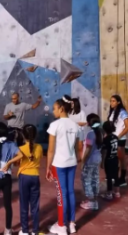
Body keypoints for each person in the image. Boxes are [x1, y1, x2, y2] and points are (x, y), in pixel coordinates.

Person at [46, 96, 81, 235]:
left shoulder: (55, 125)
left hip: (59, 164)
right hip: (72, 162)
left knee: (62, 194)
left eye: (54, 108)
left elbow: (50, 150)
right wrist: (76, 159)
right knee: (70, 192)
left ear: (61, 109)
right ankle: (71, 223)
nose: (53, 111)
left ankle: (61, 226)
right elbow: (77, 146)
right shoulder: (76, 125)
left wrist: (48, 167)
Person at [17, 124, 43, 235]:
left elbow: (17, 163)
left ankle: (25, 230)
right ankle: (35, 230)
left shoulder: (21, 149)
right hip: (35, 176)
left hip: (24, 177)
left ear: (23, 135)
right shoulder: (39, 147)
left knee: (24, 204)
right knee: (35, 205)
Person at [80, 114, 103, 211]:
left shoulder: (90, 134)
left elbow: (88, 149)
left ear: (89, 123)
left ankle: (91, 201)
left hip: (90, 160)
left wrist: (83, 161)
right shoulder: (100, 132)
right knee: (95, 179)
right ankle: (94, 200)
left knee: (87, 180)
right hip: (97, 159)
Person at [107, 95, 128, 186]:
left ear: (118, 102)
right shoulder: (112, 112)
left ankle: (122, 179)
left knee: (121, 158)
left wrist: (118, 136)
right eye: (111, 101)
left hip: (119, 139)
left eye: (113, 101)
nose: (111, 103)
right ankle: (114, 177)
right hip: (112, 138)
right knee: (113, 158)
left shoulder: (123, 112)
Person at [101, 121, 121, 200]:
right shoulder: (116, 137)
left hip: (108, 160)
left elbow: (104, 152)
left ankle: (109, 193)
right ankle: (117, 192)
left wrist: (102, 162)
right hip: (115, 158)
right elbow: (118, 149)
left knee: (109, 177)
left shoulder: (106, 139)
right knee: (116, 176)